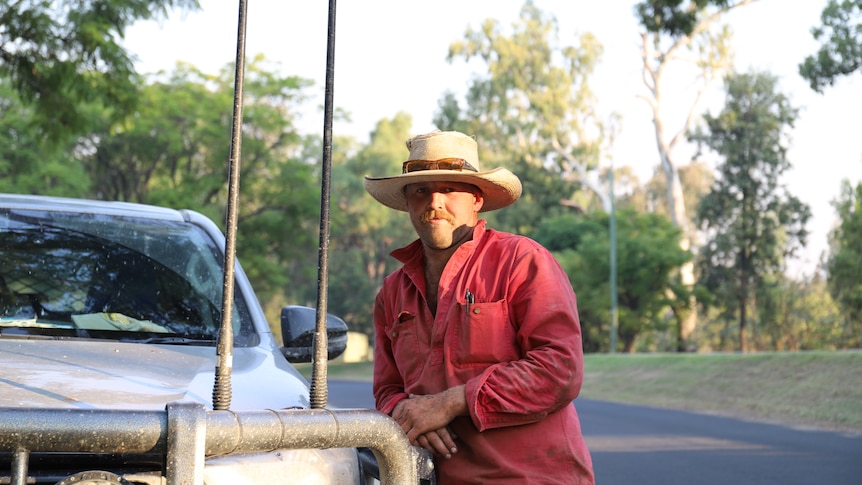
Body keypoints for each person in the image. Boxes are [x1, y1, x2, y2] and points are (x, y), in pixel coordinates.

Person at [364, 130, 595, 484]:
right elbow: (387, 389)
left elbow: (559, 369)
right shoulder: (392, 292)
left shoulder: (522, 261)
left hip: (533, 477)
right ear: (407, 199)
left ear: (476, 198)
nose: (435, 202)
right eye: (421, 189)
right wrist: (406, 414)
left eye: (449, 188)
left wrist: (448, 403)